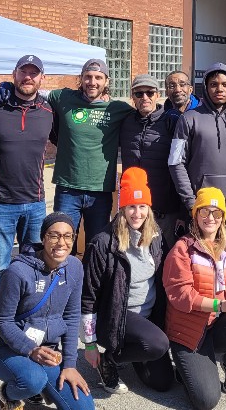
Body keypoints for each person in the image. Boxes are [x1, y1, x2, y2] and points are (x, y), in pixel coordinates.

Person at [0, 59, 132, 251]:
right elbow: (32, 90)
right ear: (81, 79)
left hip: (100, 191)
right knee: (62, 245)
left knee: (97, 246)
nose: (92, 82)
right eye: (88, 77)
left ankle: (90, 282)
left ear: (106, 81)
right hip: (68, 189)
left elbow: (143, 114)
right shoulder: (63, 98)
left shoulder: (118, 109)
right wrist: (6, 85)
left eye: (98, 78)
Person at [163, 187, 226, 409]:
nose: (211, 218)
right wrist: (222, 305)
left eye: (217, 213)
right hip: (188, 331)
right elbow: (180, 295)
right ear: (196, 214)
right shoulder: (182, 249)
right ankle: (186, 366)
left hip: (219, 324)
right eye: (205, 212)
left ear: (223, 218)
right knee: (206, 401)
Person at [80, 167, 173, 395]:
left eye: (142, 207)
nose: (137, 213)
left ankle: (137, 350)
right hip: (117, 316)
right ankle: (109, 359)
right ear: (122, 208)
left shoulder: (156, 237)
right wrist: (90, 343)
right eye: (131, 206)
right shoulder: (102, 243)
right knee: (158, 344)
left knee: (163, 383)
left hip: (148, 318)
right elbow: (88, 295)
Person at [0, 212, 93, 410]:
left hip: (48, 352)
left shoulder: (75, 267)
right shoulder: (17, 272)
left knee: (84, 408)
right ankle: (8, 394)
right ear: (44, 238)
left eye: (68, 236)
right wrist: (31, 350)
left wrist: (70, 365)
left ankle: (41, 384)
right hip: (10, 349)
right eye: (54, 235)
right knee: (31, 380)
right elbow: (2, 321)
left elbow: (71, 318)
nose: (61, 242)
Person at [0, 55, 55, 314]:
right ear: (13, 75)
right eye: (23, 71)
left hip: (36, 203)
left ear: (42, 78)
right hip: (0, 202)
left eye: (33, 73)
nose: (28, 77)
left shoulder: (48, 112)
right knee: (0, 267)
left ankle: (27, 315)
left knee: (34, 263)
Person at [169, 62, 226, 268]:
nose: (219, 89)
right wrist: (191, 202)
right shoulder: (188, 119)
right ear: (205, 87)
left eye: (225, 84)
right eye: (214, 84)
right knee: (202, 268)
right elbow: (175, 162)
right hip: (201, 210)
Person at [119, 74, 184, 250]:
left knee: (166, 258)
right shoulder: (125, 123)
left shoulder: (173, 121)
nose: (145, 98)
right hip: (134, 211)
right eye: (139, 94)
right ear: (133, 97)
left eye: (149, 92)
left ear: (157, 95)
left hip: (164, 209)